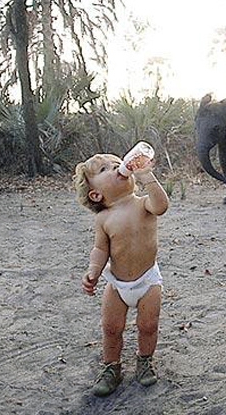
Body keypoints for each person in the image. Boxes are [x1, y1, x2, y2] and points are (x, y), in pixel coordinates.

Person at [73, 152, 169, 397]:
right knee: (111, 328)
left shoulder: (142, 203)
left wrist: (147, 175)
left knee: (148, 325)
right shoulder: (103, 218)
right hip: (116, 284)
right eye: (105, 169)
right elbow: (100, 249)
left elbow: (161, 206)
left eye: (118, 163)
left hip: (148, 280)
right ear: (96, 195)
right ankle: (111, 367)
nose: (118, 167)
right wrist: (93, 271)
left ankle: (144, 360)